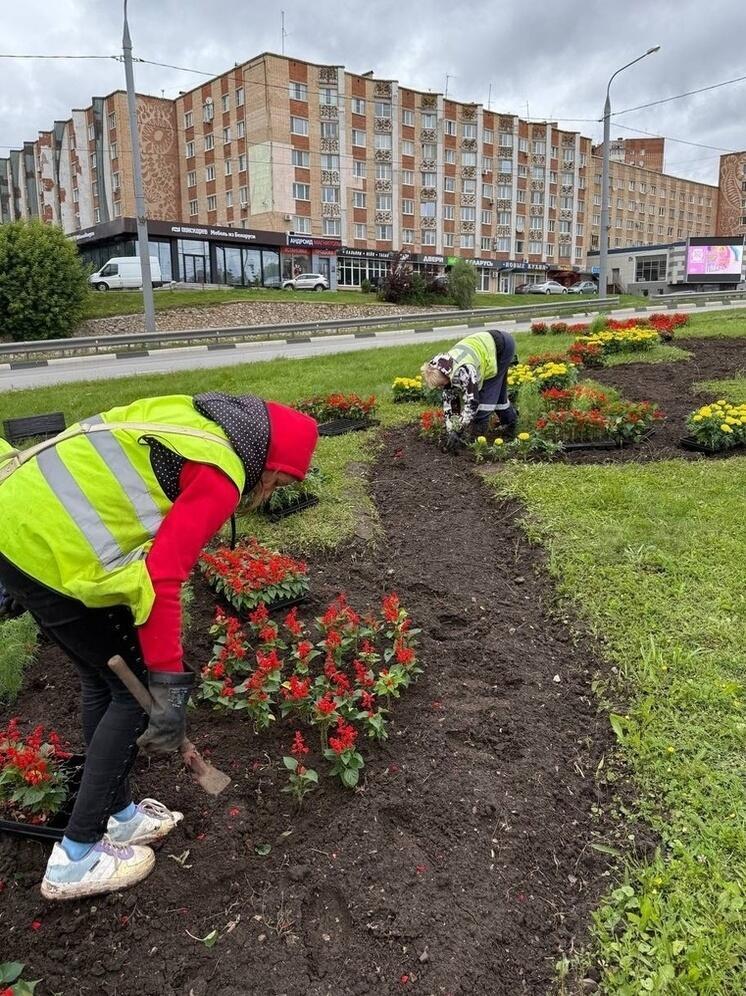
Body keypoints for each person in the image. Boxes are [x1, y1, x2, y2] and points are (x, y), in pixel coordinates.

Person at [0, 392, 318, 900]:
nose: (273, 490)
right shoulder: (221, 473)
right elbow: (163, 576)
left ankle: (120, 817)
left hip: (19, 518)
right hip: (41, 543)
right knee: (131, 692)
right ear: (269, 460)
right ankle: (75, 857)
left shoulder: (199, 418)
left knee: (102, 680)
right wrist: (167, 687)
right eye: (280, 479)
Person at [421, 329, 517, 451]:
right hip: (486, 346)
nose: (440, 387)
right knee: (497, 395)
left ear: (447, 376)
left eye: (441, 384)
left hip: (501, 347)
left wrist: (460, 429)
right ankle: (511, 422)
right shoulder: (443, 368)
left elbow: (472, 402)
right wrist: (452, 430)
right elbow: (450, 406)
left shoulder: (464, 370)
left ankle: (477, 441)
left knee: (485, 402)